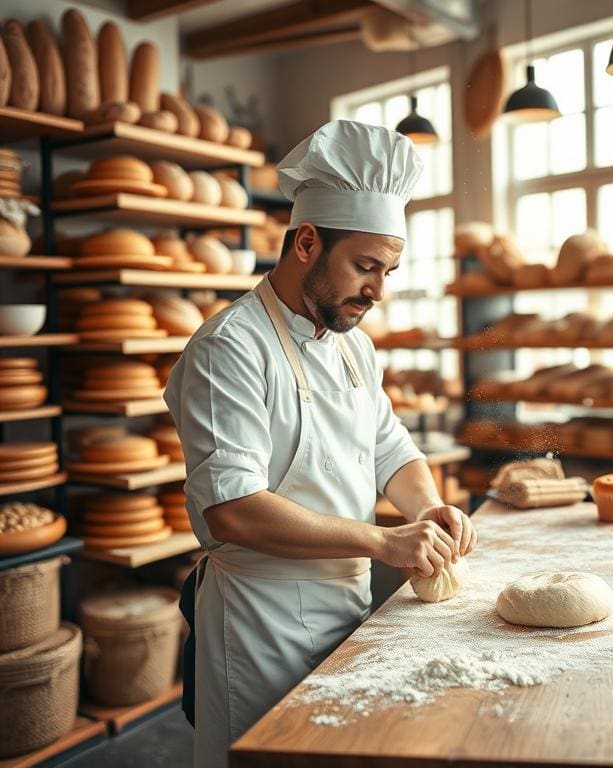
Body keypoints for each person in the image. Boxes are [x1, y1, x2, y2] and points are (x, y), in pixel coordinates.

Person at [164, 120, 477, 768]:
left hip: (346, 602)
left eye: (388, 270)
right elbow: (233, 508)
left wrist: (427, 509)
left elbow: (390, 446)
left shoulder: (353, 346)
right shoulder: (231, 348)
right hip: (260, 625)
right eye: (366, 267)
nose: (378, 291)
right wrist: (383, 541)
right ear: (306, 241)